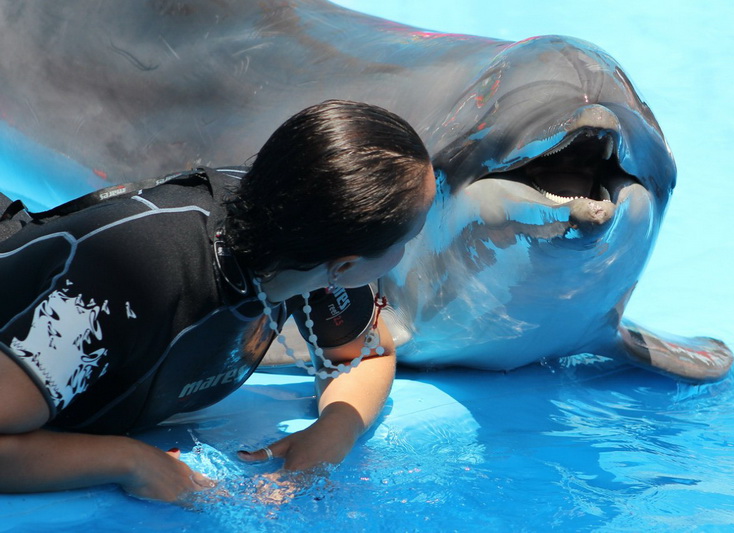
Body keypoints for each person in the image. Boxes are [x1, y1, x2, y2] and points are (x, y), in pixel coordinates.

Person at [0, 100, 435, 502]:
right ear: (345, 265)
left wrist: (336, 428)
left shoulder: (306, 233)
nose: (404, 254)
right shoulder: (127, 284)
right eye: (408, 238)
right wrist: (128, 461)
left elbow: (364, 356)